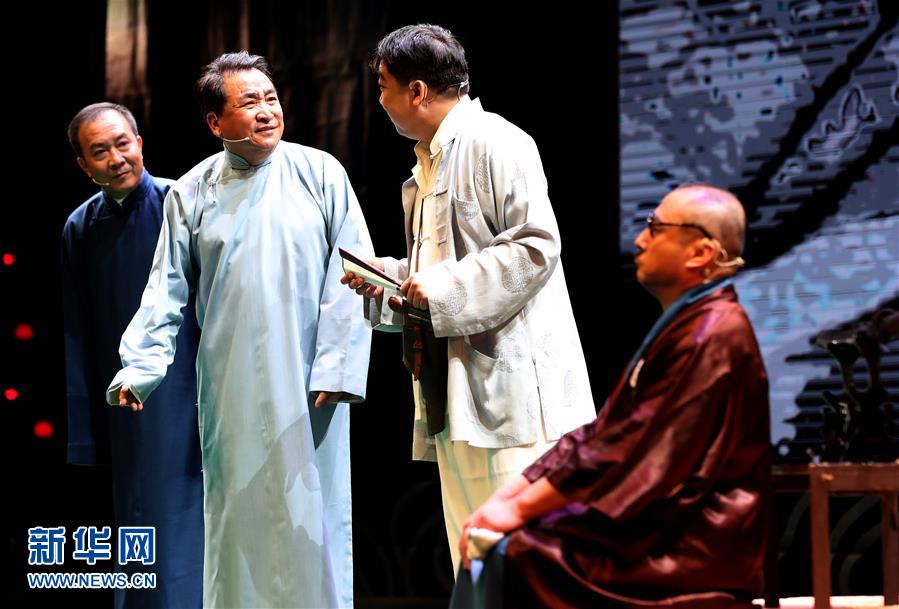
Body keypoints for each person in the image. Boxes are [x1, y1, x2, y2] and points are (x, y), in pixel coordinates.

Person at [105, 52, 373, 609]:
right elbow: (165, 287)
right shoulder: (192, 191)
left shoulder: (320, 172)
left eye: (270, 98)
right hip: (231, 383)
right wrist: (141, 366)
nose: (267, 111)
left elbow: (353, 273)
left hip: (310, 380)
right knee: (237, 515)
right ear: (215, 122)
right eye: (249, 102)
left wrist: (339, 366)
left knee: (313, 513)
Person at [342, 24, 596, 570]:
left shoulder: (495, 141)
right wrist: (391, 281)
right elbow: (440, 275)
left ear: (416, 90)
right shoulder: (427, 164)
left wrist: (433, 287)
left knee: (522, 557)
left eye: (383, 86)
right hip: (455, 392)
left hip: (514, 398)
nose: (379, 100)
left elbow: (535, 246)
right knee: (475, 557)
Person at [452, 184, 771, 609]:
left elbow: (631, 447)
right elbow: (602, 433)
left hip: (693, 543)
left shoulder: (711, 334)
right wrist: (511, 495)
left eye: (656, 228)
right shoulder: (690, 323)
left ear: (701, 253)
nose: (640, 240)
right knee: (497, 537)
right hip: (665, 526)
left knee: (513, 551)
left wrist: (520, 510)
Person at [62, 102, 203, 609]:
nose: (116, 158)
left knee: (189, 519)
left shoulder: (178, 202)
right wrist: (85, 432)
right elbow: (77, 331)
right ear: (84, 164)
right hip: (123, 396)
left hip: (189, 385)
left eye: (123, 144)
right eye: (100, 151)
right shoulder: (80, 227)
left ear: (140, 143)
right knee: (139, 518)